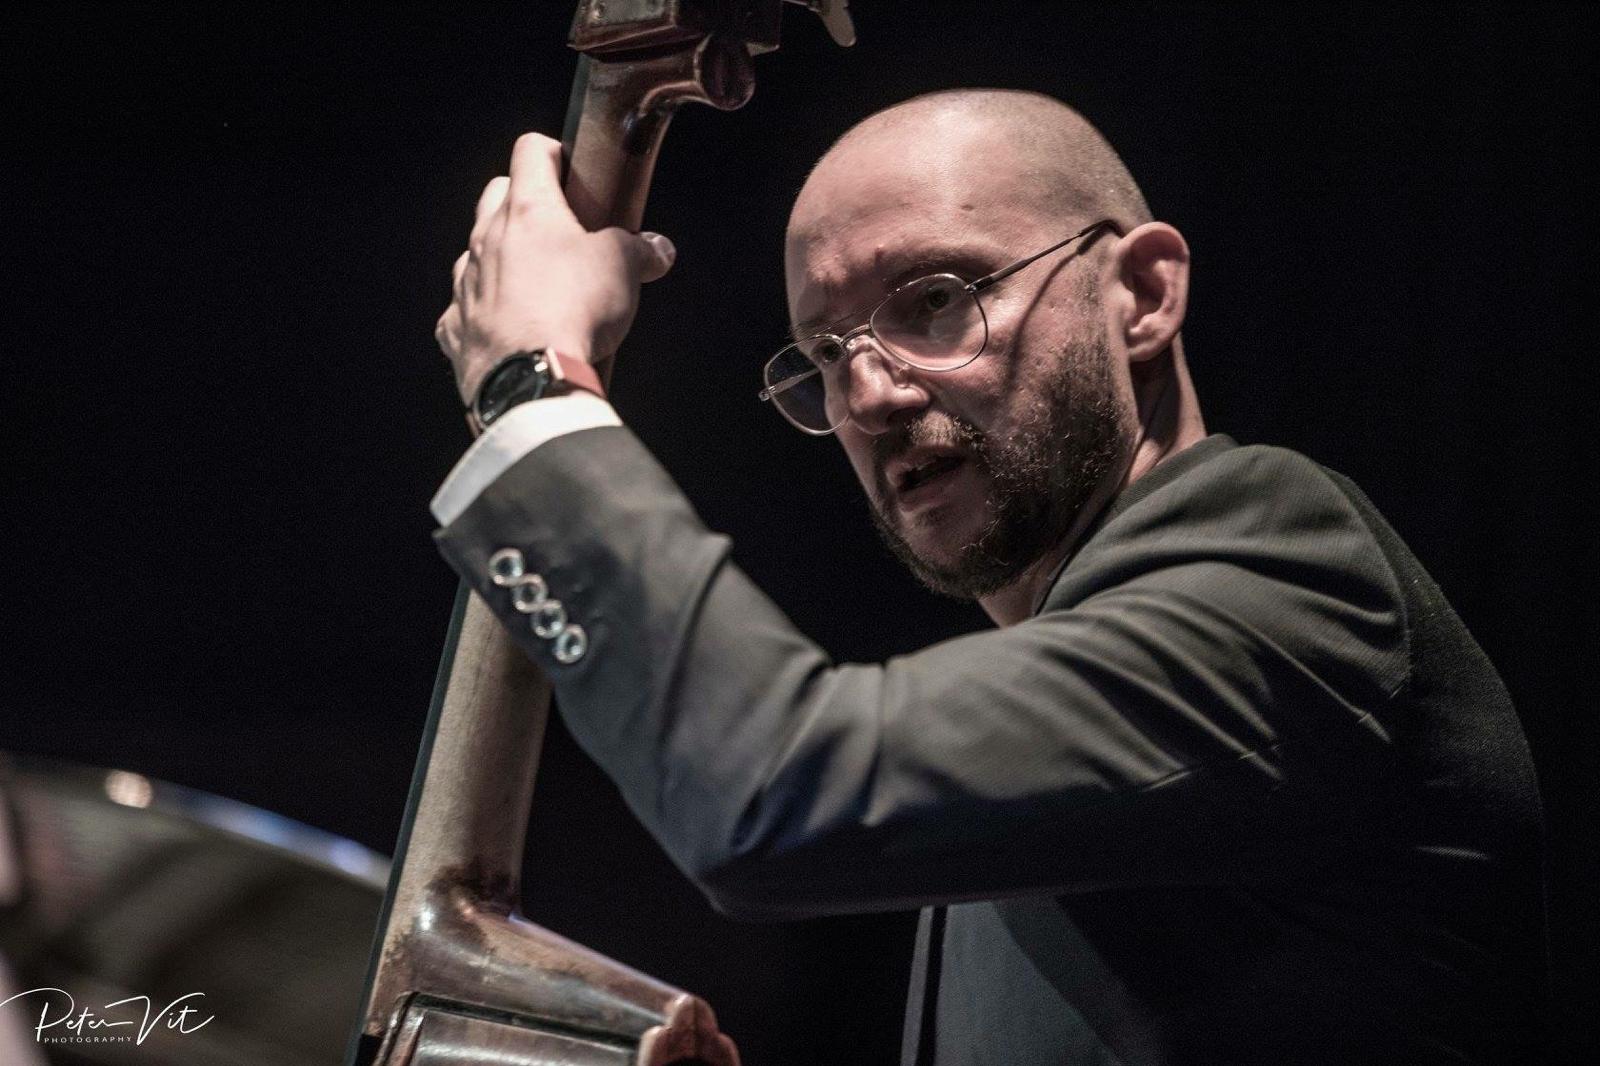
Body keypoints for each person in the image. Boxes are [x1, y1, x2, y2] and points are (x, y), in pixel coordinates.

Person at [428, 90, 1547, 1065]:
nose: (868, 397)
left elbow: (772, 796)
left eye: (933, 299)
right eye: (825, 354)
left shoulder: (1288, 577)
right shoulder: (1059, 684)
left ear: (1143, 294)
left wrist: (535, 388)